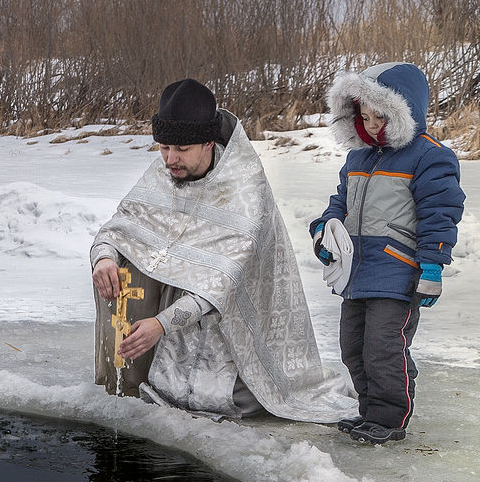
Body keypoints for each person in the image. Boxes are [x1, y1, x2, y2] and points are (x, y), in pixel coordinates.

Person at [91, 78, 353, 422]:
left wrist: (161, 324)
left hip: (236, 325)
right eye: (164, 147)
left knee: (228, 399)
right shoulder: (167, 168)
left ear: (208, 143)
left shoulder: (245, 189)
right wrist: (105, 257)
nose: (170, 158)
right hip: (174, 322)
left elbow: (223, 281)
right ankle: (132, 376)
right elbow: (122, 224)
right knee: (126, 258)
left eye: (181, 150)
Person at [309, 62, 464, 444]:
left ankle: (390, 417)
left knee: (383, 347)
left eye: (380, 115)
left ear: (403, 111)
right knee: (353, 347)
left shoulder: (429, 157)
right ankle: (370, 412)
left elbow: (440, 213)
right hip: (357, 274)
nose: (372, 123)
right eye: (364, 115)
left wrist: (432, 267)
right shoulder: (357, 158)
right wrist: (323, 232)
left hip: (398, 273)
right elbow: (339, 205)